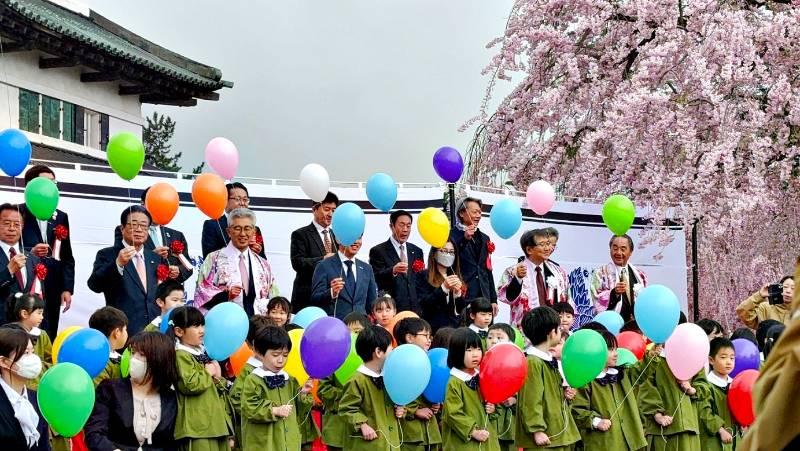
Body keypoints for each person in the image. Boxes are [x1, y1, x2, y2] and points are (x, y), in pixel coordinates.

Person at [85, 332, 178, 451]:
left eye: (141, 355)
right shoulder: (110, 389)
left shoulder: (171, 399)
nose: (134, 359)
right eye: (133, 353)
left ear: (159, 359)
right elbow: (94, 433)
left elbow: (172, 443)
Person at [18, 165, 75, 340]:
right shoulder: (16, 212)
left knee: (48, 331)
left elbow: (67, 256)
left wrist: (67, 288)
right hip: (27, 284)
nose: (52, 187)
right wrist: (30, 252)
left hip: (53, 285)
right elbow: (7, 248)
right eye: (46, 182)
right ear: (31, 186)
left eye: (54, 182)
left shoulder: (61, 217)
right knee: (23, 331)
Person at [87, 205, 160, 333]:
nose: (139, 230)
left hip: (154, 331)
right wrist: (118, 264)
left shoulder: (155, 258)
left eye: (144, 226)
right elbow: (94, 285)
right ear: (122, 228)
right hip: (122, 330)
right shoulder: (107, 254)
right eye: (133, 225)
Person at [194, 208, 279, 317]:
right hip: (224, 321)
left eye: (247, 228)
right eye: (237, 228)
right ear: (229, 232)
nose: (243, 234)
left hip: (258, 326)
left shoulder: (263, 264)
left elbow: (273, 298)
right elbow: (201, 294)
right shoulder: (213, 259)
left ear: (253, 232)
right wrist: (226, 295)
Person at [169, 306, 233, 450]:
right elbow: (189, 385)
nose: (202, 330)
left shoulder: (203, 353)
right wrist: (208, 372)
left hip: (214, 421)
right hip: (197, 425)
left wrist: (218, 378)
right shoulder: (181, 355)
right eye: (196, 326)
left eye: (202, 325)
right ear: (179, 331)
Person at [515, 307, 579, 450]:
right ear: (552, 333)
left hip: (556, 432)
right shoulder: (533, 362)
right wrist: (537, 429)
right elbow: (530, 399)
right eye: (558, 328)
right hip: (545, 436)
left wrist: (565, 394)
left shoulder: (549, 360)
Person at [241, 326, 313, 450]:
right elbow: (249, 407)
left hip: (288, 442)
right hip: (265, 443)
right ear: (259, 353)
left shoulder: (290, 380)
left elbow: (299, 410)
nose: (281, 360)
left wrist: (303, 394)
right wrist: (274, 410)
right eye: (275, 355)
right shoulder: (253, 379)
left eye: (285, 355)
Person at [572, 330, 647, 451]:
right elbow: (577, 409)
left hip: (629, 442)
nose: (616, 353)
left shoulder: (623, 374)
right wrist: (596, 421)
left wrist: (651, 354)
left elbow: (642, 369)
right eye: (611, 349)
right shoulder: (586, 379)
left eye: (616, 349)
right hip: (604, 443)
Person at [338, 325, 404, 450]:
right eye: (391, 349)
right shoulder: (357, 380)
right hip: (369, 445)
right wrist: (362, 424)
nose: (394, 353)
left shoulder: (389, 377)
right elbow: (346, 409)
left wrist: (400, 409)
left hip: (390, 444)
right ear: (378, 352)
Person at [114, 187, 193, 284]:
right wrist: (152, 255)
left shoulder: (176, 235)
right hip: (141, 290)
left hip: (169, 293)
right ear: (143, 204)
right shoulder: (125, 230)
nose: (160, 208)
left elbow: (188, 266)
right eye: (156, 203)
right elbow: (121, 259)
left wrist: (178, 271)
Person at [498, 229, 572, 329]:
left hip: (553, 329)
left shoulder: (559, 273)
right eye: (542, 244)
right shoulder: (513, 271)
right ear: (529, 250)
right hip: (526, 330)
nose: (548, 248)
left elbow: (567, 301)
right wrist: (517, 279)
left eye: (548, 244)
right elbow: (507, 298)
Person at [639, 334, 702, 450]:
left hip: (690, 427)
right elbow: (645, 387)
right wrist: (657, 414)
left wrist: (692, 390)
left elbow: (703, 384)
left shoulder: (693, 358)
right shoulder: (654, 359)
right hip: (662, 430)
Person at [441, 328, 498, 450]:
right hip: (464, 443)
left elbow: (490, 400)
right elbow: (452, 414)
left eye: (478, 349)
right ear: (457, 353)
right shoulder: (455, 382)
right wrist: (472, 431)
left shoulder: (481, 377)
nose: (476, 354)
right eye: (469, 350)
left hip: (486, 440)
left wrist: (492, 408)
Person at [393, 317, 442, 450]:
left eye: (430, 335)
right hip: (410, 433)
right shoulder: (398, 362)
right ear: (409, 337)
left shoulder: (429, 360)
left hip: (430, 432)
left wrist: (436, 402)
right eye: (425, 335)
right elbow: (395, 394)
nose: (429, 339)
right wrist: (414, 411)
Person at [0, 327, 49, 451]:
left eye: (32, 352)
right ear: (4, 361)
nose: (33, 359)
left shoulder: (37, 398)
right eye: (26, 353)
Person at [290, 192, 339, 313]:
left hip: (331, 300)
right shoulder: (300, 234)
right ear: (314, 209)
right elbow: (297, 263)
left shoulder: (337, 235)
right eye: (327, 209)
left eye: (334, 210)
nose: (331, 214)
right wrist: (323, 259)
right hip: (307, 298)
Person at [369, 210, 424, 315]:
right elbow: (375, 278)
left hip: (416, 309)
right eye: (401, 225)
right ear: (392, 226)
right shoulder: (378, 251)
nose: (405, 230)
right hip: (393, 309)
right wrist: (392, 271)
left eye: (408, 226)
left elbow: (419, 280)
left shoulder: (417, 251)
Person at [229, 315, 272, 449]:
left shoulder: (275, 368)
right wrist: (261, 410)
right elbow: (236, 399)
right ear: (250, 344)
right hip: (254, 436)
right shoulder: (249, 371)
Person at [310, 237, 378, 320]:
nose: (356, 241)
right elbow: (315, 299)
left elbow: (372, 302)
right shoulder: (324, 266)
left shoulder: (367, 268)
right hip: (335, 325)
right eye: (352, 236)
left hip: (361, 326)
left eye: (359, 238)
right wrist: (332, 292)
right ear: (338, 239)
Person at [449, 198, 497, 313]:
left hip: (484, 296)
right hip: (463, 295)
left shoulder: (484, 238)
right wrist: (464, 239)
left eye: (480, 212)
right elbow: (450, 260)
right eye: (474, 212)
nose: (478, 215)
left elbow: (487, 270)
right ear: (461, 213)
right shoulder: (451, 235)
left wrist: (493, 299)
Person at [0, 203, 42, 325]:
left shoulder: (33, 259)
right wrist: (8, 272)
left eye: (17, 224)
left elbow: (40, 298)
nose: (12, 228)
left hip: (26, 331)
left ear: (22, 227)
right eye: (6, 224)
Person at [590, 235, 648, 322]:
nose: (618, 253)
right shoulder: (600, 273)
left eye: (623, 249)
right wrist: (614, 293)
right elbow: (597, 300)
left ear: (631, 252)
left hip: (634, 326)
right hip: (611, 325)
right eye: (615, 248)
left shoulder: (640, 275)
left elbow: (645, 301)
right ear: (610, 249)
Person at [201, 182, 266, 259]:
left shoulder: (255, 229)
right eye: (237, 199)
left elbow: (263, 260)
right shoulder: (213, 225)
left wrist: (257, 253)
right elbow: (208, 257)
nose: (242, 203)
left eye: (245, 199)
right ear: (225, 200)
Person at [415, 240, 466, 332]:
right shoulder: (423, 275)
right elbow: (424, 304)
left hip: (453, 329)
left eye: (451, 252)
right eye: (444, 251)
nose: (448, 255)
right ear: (434, 254)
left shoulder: (455, 276)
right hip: (433, 329)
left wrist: (458, 295)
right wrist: (444, 288)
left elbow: (460, 310)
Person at [695, 337, 736, 451]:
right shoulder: (705, 385)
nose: (729, 362)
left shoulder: (735, 385)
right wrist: (721, 429)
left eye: (732, 358)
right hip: (713, 441)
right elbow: (704, 412)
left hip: (735, 440)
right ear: (711, 360)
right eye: (723, 357)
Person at [5, 294, 51, 387]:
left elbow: (51, 360)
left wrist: (38, 366)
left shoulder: (42, 335)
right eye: (39, 313)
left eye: (42, 313)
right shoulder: (9, 335)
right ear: (24, 314)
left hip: (38, 386)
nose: (42, 317)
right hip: (14, 384)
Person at [486, 324, 517, 451]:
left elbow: (528, 393)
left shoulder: (516, 364)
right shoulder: (482, 364)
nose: (493, 341)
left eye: (499, 337)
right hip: (488, 424)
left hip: (510, 424)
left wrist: (515, 400)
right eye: (490, 337)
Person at [89, 306, 129, 387]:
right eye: (125, 329)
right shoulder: (101, 364)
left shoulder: (94, 355)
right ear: (117, 332)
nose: (127, 333)